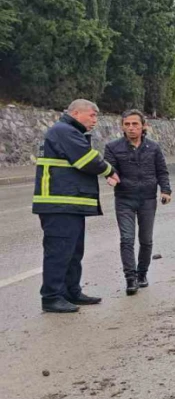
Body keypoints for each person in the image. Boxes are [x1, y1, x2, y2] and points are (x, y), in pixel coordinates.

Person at [32, 99, 120, 313]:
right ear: (76, 113)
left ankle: (71, 291)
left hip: (68, 204)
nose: (95, 120)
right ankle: (52, 297)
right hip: (58, 204)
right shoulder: (64, 131)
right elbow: (86, 160)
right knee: (59, 252)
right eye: (92, 115)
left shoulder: (68, 131)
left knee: (73, 252)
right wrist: (109, 170)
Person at [103, 109, 172, 296]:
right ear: (122, 127)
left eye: (135, 124)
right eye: (127, 124)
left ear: (143, 126)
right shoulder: (113, 147)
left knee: (146, 240)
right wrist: (111, 177)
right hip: (124, 199)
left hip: (148, 199)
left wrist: (165, 190)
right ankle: (130, 278)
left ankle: (142, 274)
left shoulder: (153, 148)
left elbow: (162, 171)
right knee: (127, 239)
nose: (131, 128)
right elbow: (110, 169)